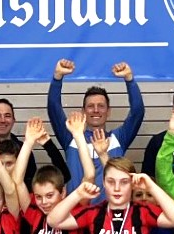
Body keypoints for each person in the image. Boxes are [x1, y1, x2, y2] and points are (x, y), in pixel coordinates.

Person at [48, 59, 144, 194]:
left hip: (110, 207)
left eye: (101, 106)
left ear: (108, 111)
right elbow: (53, 108)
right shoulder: (71, 137)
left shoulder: (118, 138)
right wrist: (57, 78)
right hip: (77, 206)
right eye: (90, 106)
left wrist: (129, 79)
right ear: (83, 111)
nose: (96, 110)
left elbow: (137, 112)